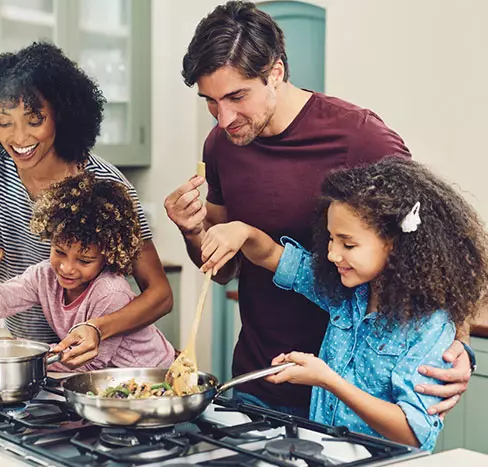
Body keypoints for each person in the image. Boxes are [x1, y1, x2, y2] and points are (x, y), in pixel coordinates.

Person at [165, 1, 473, 416]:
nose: (224, 118)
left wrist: (461, 346)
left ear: (275, 71)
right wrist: (192, 231)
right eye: (211, 101)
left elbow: (437, 246)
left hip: (358, 399)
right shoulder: (221, 146)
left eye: (237, 96)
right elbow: (223, 272)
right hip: (260, 381)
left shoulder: (360, 138)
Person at [198, 158, 488, 450]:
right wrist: (243, 232)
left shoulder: (428, 328)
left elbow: (413, 432)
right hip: (330, 458)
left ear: (395, 244)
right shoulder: (344, 292)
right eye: (331, 239)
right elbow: (271, 255)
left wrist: (328, 380)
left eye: (348, 244)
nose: (334, 254)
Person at [0, 42, 173, 368]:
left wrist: (97, 329)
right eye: (5, 121)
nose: (19, 137)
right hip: (31, 359)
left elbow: (160, 295)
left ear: (61, 114)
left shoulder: (106, 185)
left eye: (34, 119)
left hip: (95, 366)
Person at [0, 173, 175, 371]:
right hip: (107, 378)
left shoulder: (110, 292)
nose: (67, 268)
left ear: (108, 255)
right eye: (59, 252)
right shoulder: (44, 276)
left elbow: (88, 363)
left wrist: (22, 353)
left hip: (151, 372)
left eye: (84, 260)